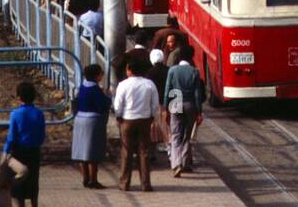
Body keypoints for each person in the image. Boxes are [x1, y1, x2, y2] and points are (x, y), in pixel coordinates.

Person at [113, 50, 161, 191]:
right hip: (145, 120)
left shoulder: (123, 85)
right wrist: (152, 117)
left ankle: (124, 183)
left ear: (129, 70)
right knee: (144, 152)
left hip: (127, 120)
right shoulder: (149, 84)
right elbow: (155, 105)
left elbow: (118, 105)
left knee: (126, 152)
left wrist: (119, 117)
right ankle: (145, 183)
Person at [4, 82, 46, 207]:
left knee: (19, 185)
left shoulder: (15, 114)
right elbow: (42, 135)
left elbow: (11, 137)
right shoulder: (39, 113)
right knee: (34, 183)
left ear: (19, 97)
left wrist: (6, 152)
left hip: (19, 151)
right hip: (34, 152)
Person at [163, 44, 204, 177]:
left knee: (175, 135)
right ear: (191, 56)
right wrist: (199, 112)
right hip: (190, 104)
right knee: (186, 135)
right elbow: (197, 93)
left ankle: (176, 164)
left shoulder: (172, 70)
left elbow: (167, 89)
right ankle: (185, 164)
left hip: (175, 102)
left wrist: (165, 107)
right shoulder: (194, 71)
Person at [71, 63, 112, 188]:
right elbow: (103, 105)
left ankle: (85, 177)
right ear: (97, 76)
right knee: (93, 153)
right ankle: (93, 180)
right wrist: (108, 96)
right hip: (92, 122)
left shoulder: (82, 87)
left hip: (79, 120)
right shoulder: (95, 89)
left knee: (82, 151)